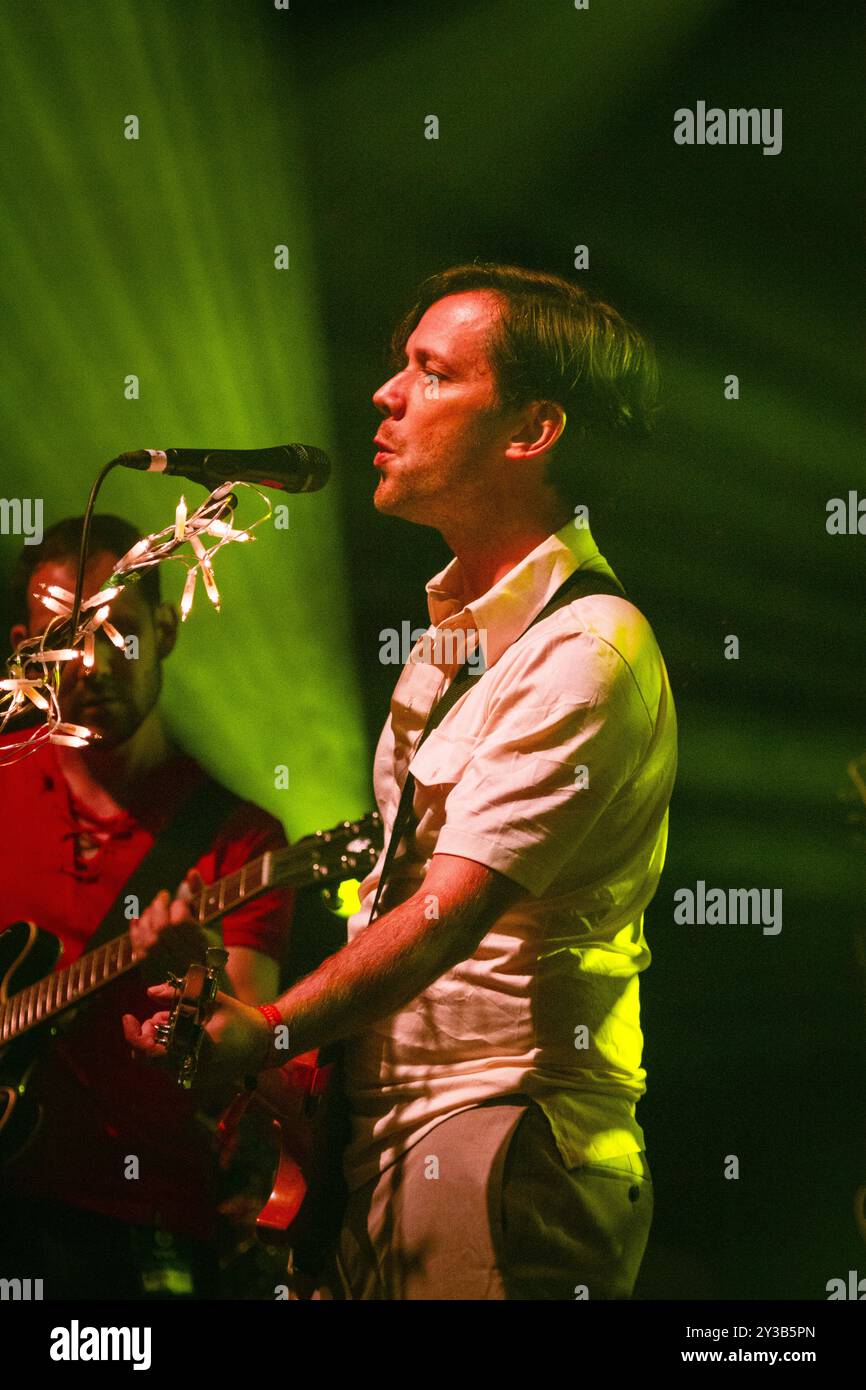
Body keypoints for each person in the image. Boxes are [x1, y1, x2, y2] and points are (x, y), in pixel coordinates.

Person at [128, 263, 678, 1300]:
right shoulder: (448, 643)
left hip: (502, 1134)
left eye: (430, 373)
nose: (384, 394)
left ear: (530, 430)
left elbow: (441, 914)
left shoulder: (587, 649)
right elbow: (393, 900)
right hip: (398, 1141)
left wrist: (271, 1027)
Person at [0, 514, 293, 1299]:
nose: (91, 662)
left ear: (165, 627)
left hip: (139, 1222)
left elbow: (239, 1064)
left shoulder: (239, 839)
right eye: (62, 638)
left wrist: (195, 972)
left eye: (118, 632)